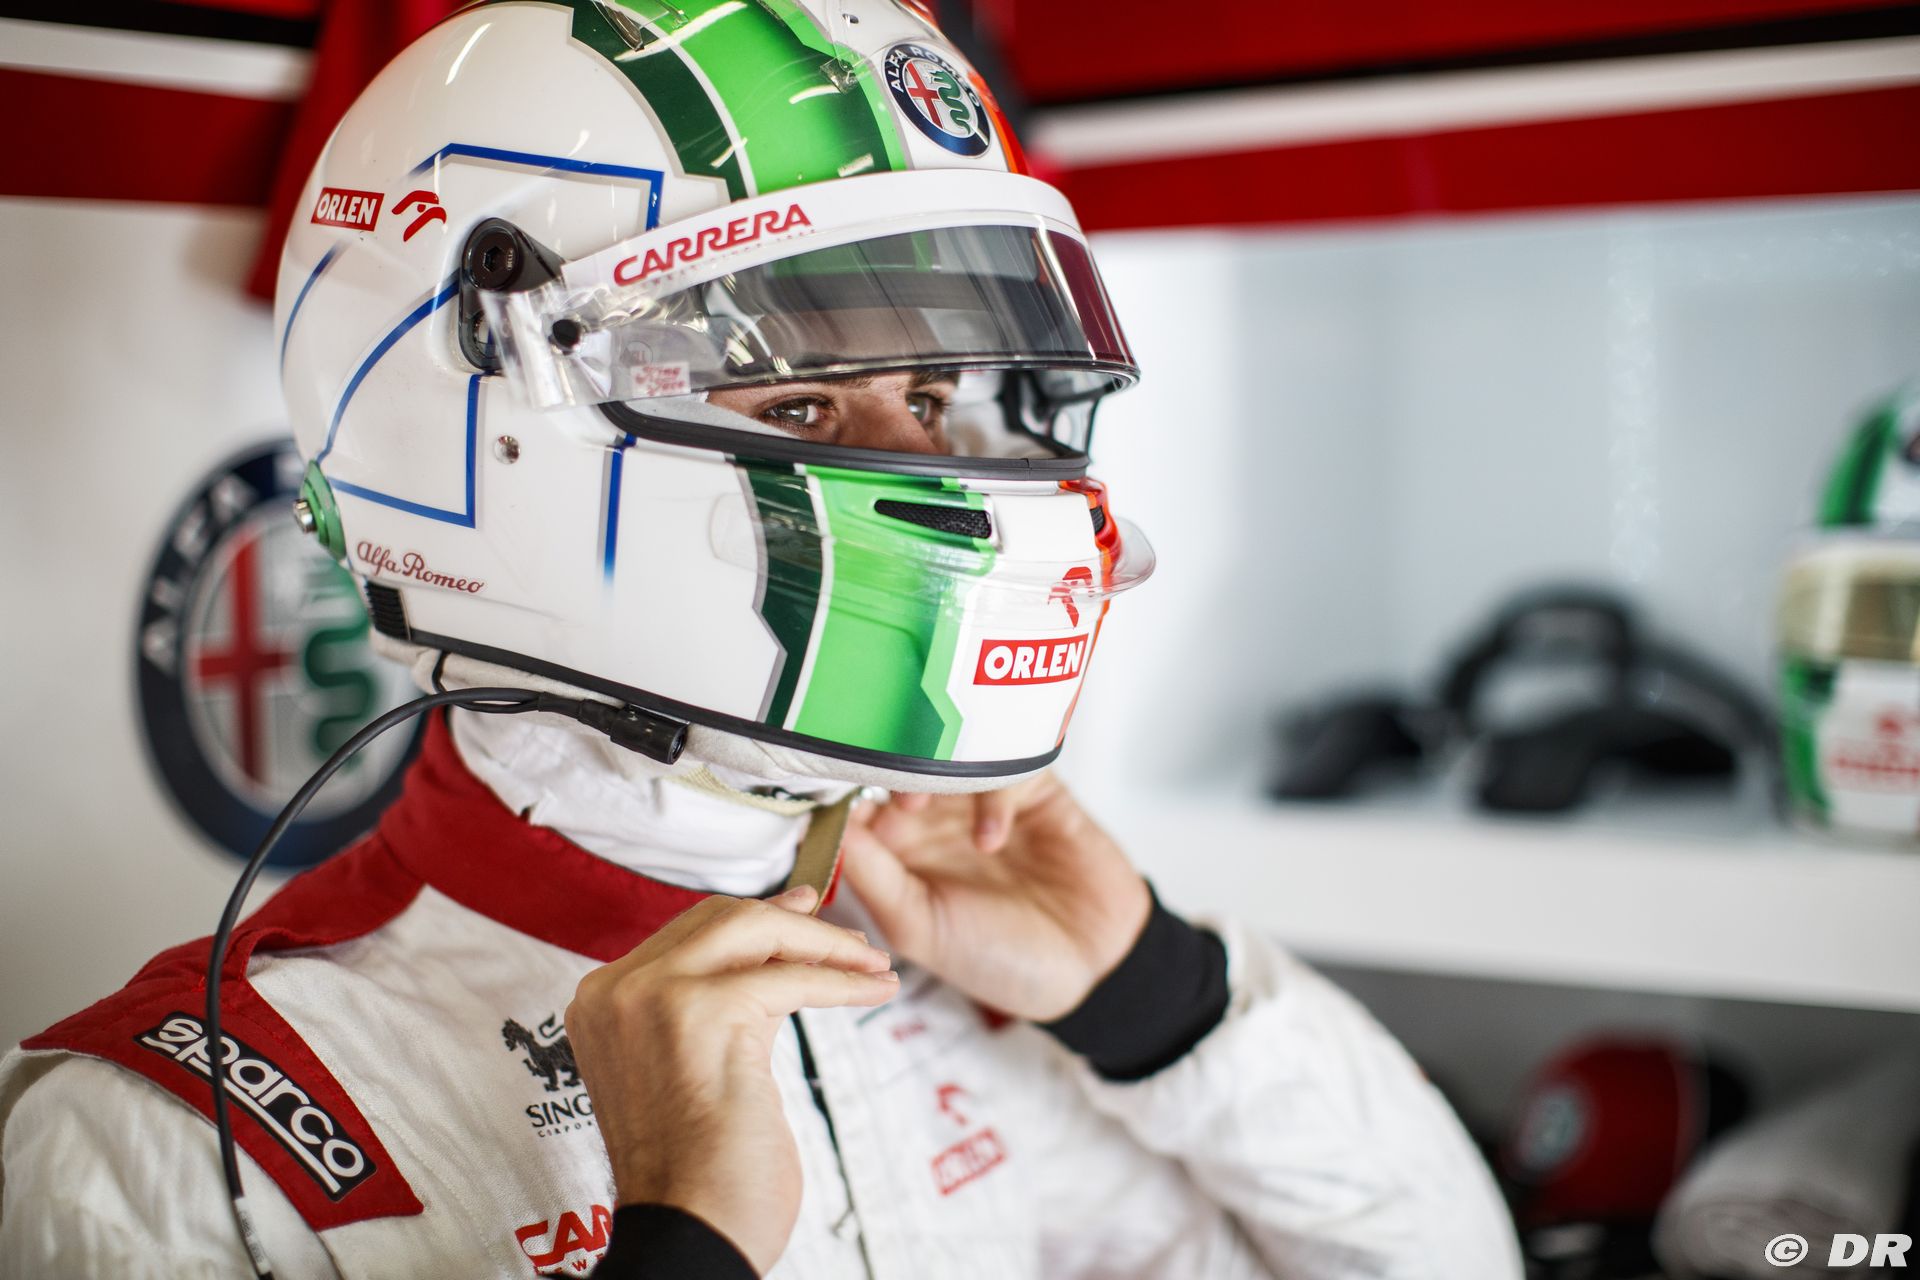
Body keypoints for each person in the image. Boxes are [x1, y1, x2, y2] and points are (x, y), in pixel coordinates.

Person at [0, 3, 1523, 1277]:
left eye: (928, 399)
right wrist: (684, 1248)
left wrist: (1154, 993)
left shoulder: (956, 974)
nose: (936, 472)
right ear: (482, 435)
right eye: (800, 401)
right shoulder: (169, 1147)